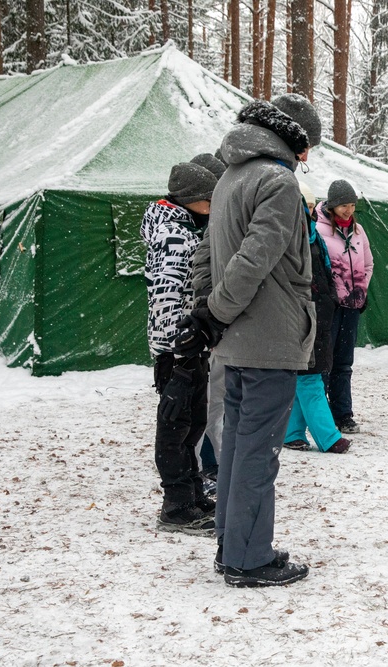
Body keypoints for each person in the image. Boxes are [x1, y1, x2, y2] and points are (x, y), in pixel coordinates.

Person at [176, 94, 322, 587]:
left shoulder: (230, 178)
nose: (306, 160)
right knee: (258, 452)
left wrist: (207, 314)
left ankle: (231, 544)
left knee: (238, 447)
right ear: (293, 138)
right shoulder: (277, 183)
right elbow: (255, 258)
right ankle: (248, 558)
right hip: (268, 337)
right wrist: (214, 312)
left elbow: (206, 256)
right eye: (307, 148)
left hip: (237, 338)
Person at [140, 161, 217, 535]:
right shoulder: (174, 236)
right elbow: (167, 300)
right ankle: (176, 505)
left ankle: (193, 491)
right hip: (178, 349)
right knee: (175, 428)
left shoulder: (185, 228)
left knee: (192, 424)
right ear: (192, 200)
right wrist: (181, 355)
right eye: (209, 199)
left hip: (190, 346)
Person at [284, 182, 351, 454]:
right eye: (305, 206)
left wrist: (330, 299)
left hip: (319, 314)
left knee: (307, 374)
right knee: (309, 376)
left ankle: (291, 432)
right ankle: (328, 436)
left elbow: (324, 273)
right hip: (301, 315)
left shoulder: (313, 236)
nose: (309, 211)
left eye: (311, 206)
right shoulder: (290, 236)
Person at [316, 179, 374, 434]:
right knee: (324, 361)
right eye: (343, 206)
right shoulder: (319, 230)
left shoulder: (359, 232)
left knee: (344, 361)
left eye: (352, 205)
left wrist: (360, 289)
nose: (348, 210)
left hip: (352, 305)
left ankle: (343, 413)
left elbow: (368, 264)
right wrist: (330, 295)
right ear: (331, 205)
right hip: (329, 306)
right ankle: (322, 414)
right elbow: (316, 268)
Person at [188, 152, 228, 490]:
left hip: (211, 324)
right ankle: (201, 466)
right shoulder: (192, 228)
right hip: (201, 326)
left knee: (214, 402)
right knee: (205, 402)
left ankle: (208, 462)